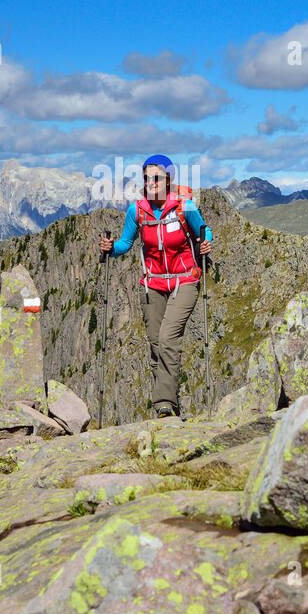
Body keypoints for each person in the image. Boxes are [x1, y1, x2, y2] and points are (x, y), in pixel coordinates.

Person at [98, 154, 212, 419]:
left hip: (186, 279)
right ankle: (170, 408)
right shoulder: (136, 211)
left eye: (157, 178)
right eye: (147, 178)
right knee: (156, 346)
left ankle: (163, 403)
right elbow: (126, 244)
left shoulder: (186, 207)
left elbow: (205, 232)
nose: (151, 183)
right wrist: (111, 248)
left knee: (167, 338)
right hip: (153, 284)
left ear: (169, 180)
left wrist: (207, 244)